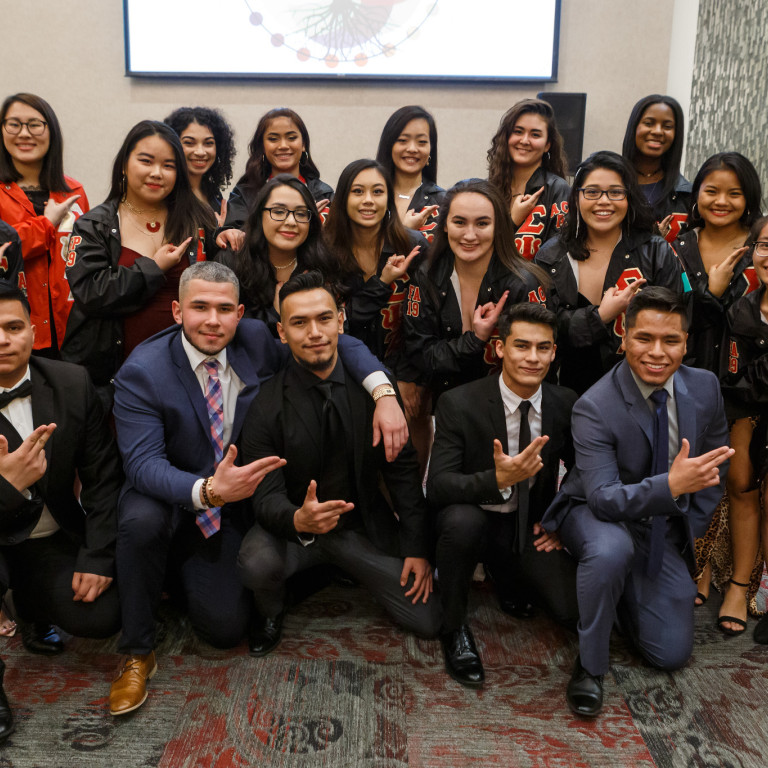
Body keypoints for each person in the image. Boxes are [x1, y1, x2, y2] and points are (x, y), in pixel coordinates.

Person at [108, 261, 408, 716]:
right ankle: (136, 651)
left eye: (224, 309)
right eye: (199, 308)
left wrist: (384, 393)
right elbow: (142, 465)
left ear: (241, 313)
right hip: (171, 496)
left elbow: (336, 341)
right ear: (176, 311)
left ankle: (183, 580)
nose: (213, 320)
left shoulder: (253, 340)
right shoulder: (142, 371)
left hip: (234, 505)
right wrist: (208, 490)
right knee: (140, 520)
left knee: (227, 629)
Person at [541, 287, 731, 717]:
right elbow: (605, 499)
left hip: (660, 523)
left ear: (687, 342)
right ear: (623, 335)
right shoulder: (595, 405)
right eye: (644, 338)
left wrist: (684, 535)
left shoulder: (705, 388)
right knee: (611, 549)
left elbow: (714, 474)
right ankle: (589, 665)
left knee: (670, 654)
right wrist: (672, 486)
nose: (657, 353)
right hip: (592, 510)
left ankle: (618, 591)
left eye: (671, 340)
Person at [237, 270, 441, 656]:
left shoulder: (377, 392)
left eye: (324, 318)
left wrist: (417, 548)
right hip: (294, 529)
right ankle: (271, 610)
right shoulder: (264, 405)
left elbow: (403, 476)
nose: (314, 331)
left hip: (360, 526)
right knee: (255, 563)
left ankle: (335, 568)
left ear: (340, 321)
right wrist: (297, 519)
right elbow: (264, 497)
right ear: (282, 333)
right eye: (299, 322)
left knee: (428, 620)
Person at [427, 302, 578, 687]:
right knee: (462, 522)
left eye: (543, 348)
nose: (532, 357)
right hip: (471, 520)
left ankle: (506, 571)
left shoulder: (565, 403)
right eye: (521, 346)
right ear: (500, 348)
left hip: (527, 524)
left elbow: (583, 471)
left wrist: (559, 520)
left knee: (566, 610)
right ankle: (454, 626)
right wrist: (496, 478)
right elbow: (439, 485)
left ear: (554, 352)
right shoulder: (459, 403)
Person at [0, 285, 123, 739]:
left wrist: (97, 555)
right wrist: (6, 487)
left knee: (102, 617)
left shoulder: (71, 382)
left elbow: (105, 477)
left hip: (49, 535)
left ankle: (31, 607)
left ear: (33, 332)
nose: (2, 340)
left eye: (13, 328)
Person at [61, 120, 215, 408]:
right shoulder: (94, 225)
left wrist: (231, 234)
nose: (157, 173)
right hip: (112, 378)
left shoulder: (198, 221)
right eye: (146, 161)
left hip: (187, 374)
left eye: (169, 165)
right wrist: (153, 268)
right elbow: (90, 293)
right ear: (124, 164)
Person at [677, 153, 762, 618]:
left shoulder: (761, 248)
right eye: (711, 190)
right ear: (697, 195)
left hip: (745, 389)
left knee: (740, 486)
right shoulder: (677, 245)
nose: (721, 201)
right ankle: (699, 568)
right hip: (687, 381)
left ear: (748, 197)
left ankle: (741, 584)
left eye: (733, 192)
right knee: (692, 480)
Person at [535, 150, 685, 395]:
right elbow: (542, 328)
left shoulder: (657, 252)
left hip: (638, 390)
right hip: (562, 393)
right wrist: (600, 315)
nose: (604, 201)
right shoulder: (551, 255)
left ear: (629, 197)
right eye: (592, 192)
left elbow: (673, 323)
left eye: (615, 192)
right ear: (576, 198)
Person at [404, 179, 549, 404]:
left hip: (508, 407)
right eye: (459, 222)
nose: (469, 235)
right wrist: (475, 340)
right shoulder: (426, 276)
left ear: (498, 226)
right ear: (444, 225)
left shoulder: (524, 283)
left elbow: (535, 361)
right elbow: (420, 354)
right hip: (445, 405)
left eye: (482, 224)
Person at [0, 93, 88, 356]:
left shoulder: (74, 190)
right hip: (11, 332)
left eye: (35, 124)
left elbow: (85, 257)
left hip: (71, 331)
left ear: (51, 131)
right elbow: (5, 253)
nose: (24, 133)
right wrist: (47, 223)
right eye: (14, 124)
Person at [719, 215, 768, 639]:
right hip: (749, 415)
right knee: (741, 486)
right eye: (765, 245)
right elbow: (735, 382)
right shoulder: (742, 309)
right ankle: (738, 585)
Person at [217, 174, 334, 336]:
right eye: (278, 212)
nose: (291, 222)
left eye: (301, 213)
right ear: (259, 216)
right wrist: (278, 314)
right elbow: (223, 330)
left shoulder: (322, 264)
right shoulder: (232, 262)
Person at [218, 108, 333, 251]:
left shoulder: (323, 194)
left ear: (303, 145)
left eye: (291, 138)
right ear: (262, 146)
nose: (283, 146)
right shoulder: (245, 194)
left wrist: (313, 224)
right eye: (273, 139)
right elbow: (236, 244)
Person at [486, 98, 569, 260]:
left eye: (535, 134)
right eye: (518, 131)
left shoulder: (558, 190)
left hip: (536, 284)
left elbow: (557, 257)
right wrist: (513, 220)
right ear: (506, 137)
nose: (524, 140)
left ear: (547, 145)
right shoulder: (489, 189)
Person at [621, 94, 691, 242]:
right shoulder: (610, 185)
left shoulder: (686, 195)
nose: (658, 131)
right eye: (649, 123)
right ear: (634, 127)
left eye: (667, 126)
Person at [375, 105, 445, 243]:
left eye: (422, 142)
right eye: (402, 140)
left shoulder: (443, 202)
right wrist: (406, 231)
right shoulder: (368, 197)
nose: (412, 149)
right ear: (389, 145)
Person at [164, 105, 236, 215]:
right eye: (189, 143)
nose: (200, 152)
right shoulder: (166, 194)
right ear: (173, 145)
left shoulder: (213, 193)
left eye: (208, 143)